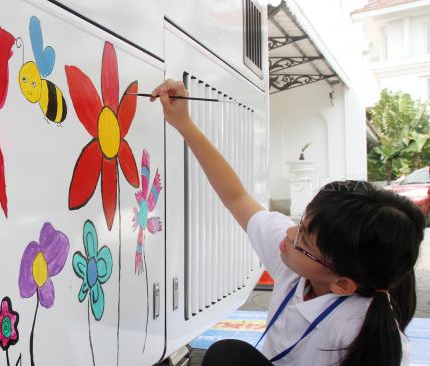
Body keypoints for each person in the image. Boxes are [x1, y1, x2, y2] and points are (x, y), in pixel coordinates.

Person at [151, 79, 424, 366]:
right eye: (302, 223)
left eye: (304, 239)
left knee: (229, 357)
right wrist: (184, 123)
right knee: (228, 353)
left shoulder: (365, 336)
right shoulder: (301, 263)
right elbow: (236, 197)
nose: (290, 233)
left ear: (342, 284)